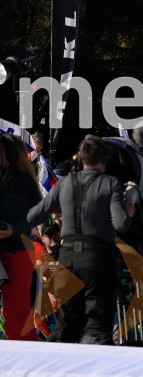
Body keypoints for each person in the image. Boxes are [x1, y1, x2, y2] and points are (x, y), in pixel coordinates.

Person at [24, 137, 135, 344]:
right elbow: (121, 224)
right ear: (104, 160)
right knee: (98, 328)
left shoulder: (65, 183)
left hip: (67, 257)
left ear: (81, 159)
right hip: (98, 257)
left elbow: (33, 216)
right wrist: (130, 208)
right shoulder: (110, 184)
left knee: (66, 325)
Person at [0, 134, 43, 340]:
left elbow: (38, 215)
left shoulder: (24, 182)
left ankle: (28, 361)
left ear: (9, 153)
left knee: (16, 314)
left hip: (17, 251)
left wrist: (13, 229)